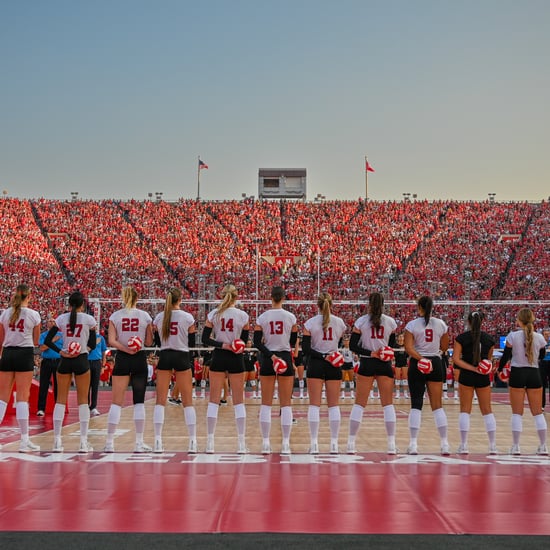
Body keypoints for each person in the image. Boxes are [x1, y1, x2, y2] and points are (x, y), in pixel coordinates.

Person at [45, 291, 97, 453]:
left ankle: (57, 441)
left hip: (65, 360)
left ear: (69, 304)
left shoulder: (61, 319)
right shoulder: (89, 320)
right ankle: (83, 442)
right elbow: (93, 344)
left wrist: (62, 352)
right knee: (83, 401)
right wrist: (84, 350)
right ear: (83, 304)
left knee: (60, 400)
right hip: (81, 359)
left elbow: (47, 340)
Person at [347, 292, 398, 454]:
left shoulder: (361, 321)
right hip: (384, 364)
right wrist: (383, 352)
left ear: (369, 303)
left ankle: (351, 443)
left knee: (359, 403)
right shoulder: (390, 322)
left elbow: (353, 346)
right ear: (383, 304)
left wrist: (371, 353)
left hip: (367, 363)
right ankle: (391, 444)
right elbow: (392, 345)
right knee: (388, 404)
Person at [104, 286, 153, 453]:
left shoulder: (115, 316)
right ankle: (139, 443)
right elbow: (148, 342)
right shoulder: (145, 316)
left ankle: (109, 443)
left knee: (116, 402)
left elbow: (111, 340)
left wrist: (126, 349)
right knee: (139, 401)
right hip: (139, 357)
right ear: (137, 298)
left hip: (123, 358)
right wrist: (135, 346)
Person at [201, 284, 250, 453]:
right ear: (236, 297)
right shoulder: (243, 315)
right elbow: (243, 341)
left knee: (214, 400)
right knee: (238, 401)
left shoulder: (214, 314)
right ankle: (241, 443)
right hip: (236, 358)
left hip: (219, 356)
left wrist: (223, 344)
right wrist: (234, 345)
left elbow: (205, 339)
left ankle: (210, 442)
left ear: (222, 295)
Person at [253, 286, 298, 454]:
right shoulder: (291, 317)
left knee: (266, 403)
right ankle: (285, 443)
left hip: (268, 358)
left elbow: (257, 342)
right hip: (285, 357)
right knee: (286, 404)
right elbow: (293, 340)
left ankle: (266, 443)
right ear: (283, 298)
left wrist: (270, 355)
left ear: (270, 297)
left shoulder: (263, 317)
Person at [152, 288, 197, 453]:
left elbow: (157, 342)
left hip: (165, 355)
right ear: (180, 300)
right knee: (187, 401)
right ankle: (192, 441)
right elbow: (191, 343)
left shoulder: (159, 317)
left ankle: (157, 441)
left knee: (160, 400)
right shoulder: (187, 317)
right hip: (182, 355)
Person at [404, 295, 450, 455]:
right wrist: (432, 355)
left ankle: (413, 444)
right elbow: (444, 346)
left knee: (416, 404)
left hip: (418, 363)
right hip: (435, 363)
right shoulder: (441, 324)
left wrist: (421, 359)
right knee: (437, 405)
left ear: (420, 307)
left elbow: (409, 348)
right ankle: (445, 444)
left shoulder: (412, 325)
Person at [301, 292, 347, 454]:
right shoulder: (339, 322)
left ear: (317, 305)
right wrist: (329, 354)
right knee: (333, 405)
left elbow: (306, 349)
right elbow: (339, 341)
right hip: (334, 363)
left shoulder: (310, 323)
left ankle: (314, 444)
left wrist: (322, 355)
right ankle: (334, 444)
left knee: (314, 404)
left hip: (316, 363)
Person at [497, 308, 547, 455]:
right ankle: (543, 446)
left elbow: (506, 355)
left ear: (519, 320)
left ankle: (516, 446)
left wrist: (500, 370)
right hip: (534, 373)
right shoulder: (539, 337)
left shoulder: (513, 336)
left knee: (517, 413)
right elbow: (542, 355)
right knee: (538, 413)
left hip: (518, 373)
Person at [0, 284, 42, 452]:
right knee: (23, 397)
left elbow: (1, 339)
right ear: (28, 296)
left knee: (2, 398)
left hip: (8, 354)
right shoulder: (33, 314)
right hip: (24, 354)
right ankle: (24, 441)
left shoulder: (5, 313)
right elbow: (36, 341)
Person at [453, 311, 498, 454]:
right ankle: (492, 446)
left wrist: (472, 368)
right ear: (482, 322)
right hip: (482, 376)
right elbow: (489, 360)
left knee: (465, 410)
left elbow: (456, 359)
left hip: (467, 375)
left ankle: (464, 445)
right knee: (487, 410)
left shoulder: (462, 338)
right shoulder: (489, 339)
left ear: (468, 321)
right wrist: (482, 368)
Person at [36, 316, 62, 416]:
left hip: (59, 361)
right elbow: (42, 348)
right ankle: (41, 408)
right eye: (49, 321)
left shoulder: (61, 335)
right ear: (46, 324)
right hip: (47, 361)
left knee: (58, 385)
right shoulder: (43, 335)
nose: (51, 322)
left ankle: (58, 407)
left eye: (53, 321)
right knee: (43, 385)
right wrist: (52, 340)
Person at [88, 331, 107, 416]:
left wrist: (103, 366)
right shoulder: (85, 336)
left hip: (96, 362)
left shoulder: (100, 337)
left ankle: (94, 407)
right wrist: (93, 343)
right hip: (86, 361)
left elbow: (103, 353)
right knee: (86, 386)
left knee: (95, 386)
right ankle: (86, 405)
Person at [392, 333, 409, 399]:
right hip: (398, 363)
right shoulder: (395, 345)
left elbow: (407, 355)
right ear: (398, 338)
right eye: (400, 337)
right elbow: (395, 355)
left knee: (405, 378)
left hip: (404, 363)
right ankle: (397, 393)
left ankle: (405, 393)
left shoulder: (406, 345)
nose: (401, 338)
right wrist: (399, 351)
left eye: (402, 337)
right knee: (397, 378)